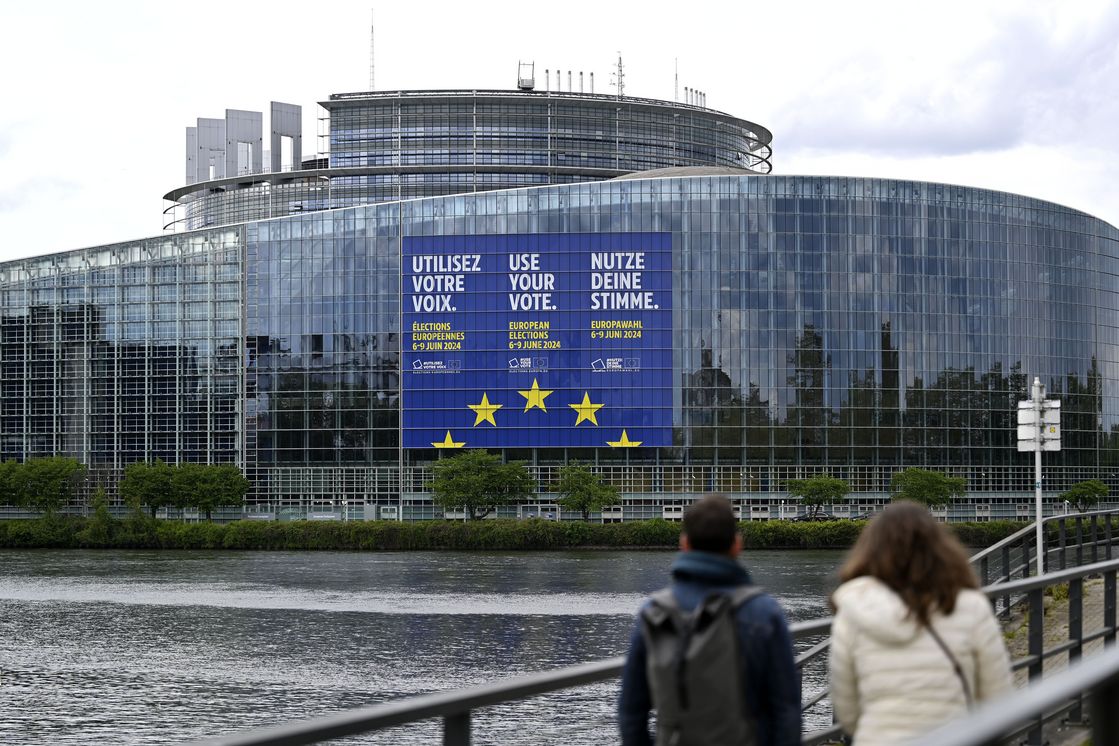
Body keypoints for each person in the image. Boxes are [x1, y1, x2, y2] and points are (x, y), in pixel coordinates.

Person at [619, 494, 802, 745]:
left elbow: (631, 713)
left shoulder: (654, 611)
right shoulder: (763, 612)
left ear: (684, 543)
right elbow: (786, 711)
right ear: (737, 544)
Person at [829, 500, 1012, 745]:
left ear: (869, 550)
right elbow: (997, 697)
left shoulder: (853, 610)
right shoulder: (970, 606)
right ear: (941, 548)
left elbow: (847, 711)